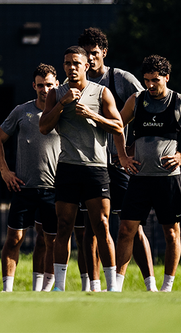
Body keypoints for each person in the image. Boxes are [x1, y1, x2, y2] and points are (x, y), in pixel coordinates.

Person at [115, 55, 181, 292]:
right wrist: (122, 156)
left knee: (171, 232)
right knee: (126, 229)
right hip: (139, 177)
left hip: (168, 179)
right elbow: (117, 126)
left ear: (167, 78)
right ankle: (116, 287)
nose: (150, 85)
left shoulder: (180, 101)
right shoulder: (136, 100)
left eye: (155, 80)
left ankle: (166, 287)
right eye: (146, 80)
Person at [38, 45, 125, 292]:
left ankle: (112, 287)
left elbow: (118, 126)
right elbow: (43, 127)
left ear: (86, 66)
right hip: (67, 168)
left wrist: (92, 115)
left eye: (76, 63)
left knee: (101, 225)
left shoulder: (102, 92)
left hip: (96, 168)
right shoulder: (57, 93)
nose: (71, 67)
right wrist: (62, 104)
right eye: (67, 63)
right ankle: (59, 288)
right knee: (63, 226)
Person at [78, 27, 156, 291]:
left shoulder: (121, 79)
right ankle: (92, 286)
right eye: (85, 55)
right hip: (90, 164)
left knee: (132, 227)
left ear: (104, 53)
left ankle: (151, 285)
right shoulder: (77, 83)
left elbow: (148, 106)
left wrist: (135, 145)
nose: (90, 59)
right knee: (91, 228)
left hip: (119, 163)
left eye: (94, 53)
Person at [0, 64, 61, 292]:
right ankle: (7, 290)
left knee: (49, 240)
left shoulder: (63, 112)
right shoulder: (22, 111)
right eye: (40, 85)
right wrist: (4, 171)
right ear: (34, 86)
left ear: (57, 85)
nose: (45, 89)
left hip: (53, 188)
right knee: (14, 238)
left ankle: (43, 290)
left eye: (49, 85)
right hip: (24, 187)